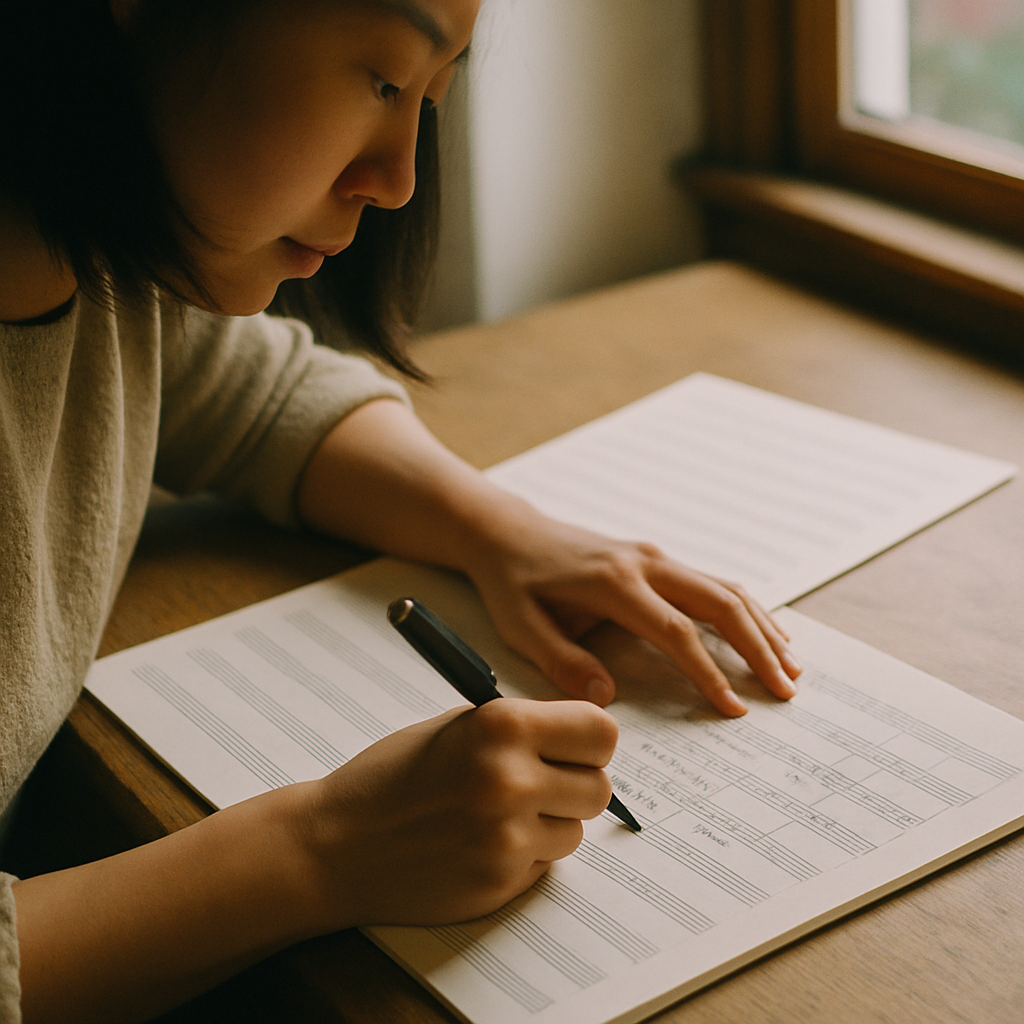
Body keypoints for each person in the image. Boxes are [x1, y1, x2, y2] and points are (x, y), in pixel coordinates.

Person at [0, 0, 802, 1020]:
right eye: (385, 81)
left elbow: (247, 392)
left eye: (431, 99)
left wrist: (498, 529)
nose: (399, 180)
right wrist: (321, 846)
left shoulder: (103, 272)